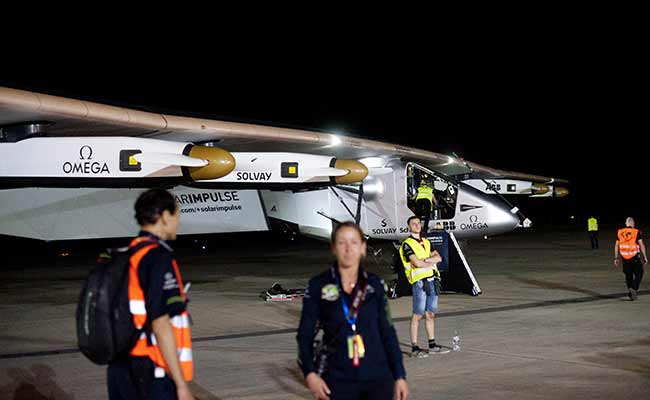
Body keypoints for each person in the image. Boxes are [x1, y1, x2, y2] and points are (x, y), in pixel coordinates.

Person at [297, 221, 409, 400]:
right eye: (342, 242)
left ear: (363, 248)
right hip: (337, 379)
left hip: (378, 378)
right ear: (334, 248)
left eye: (354, 242)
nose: (348, 248)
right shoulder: (319, 285)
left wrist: (399, 375)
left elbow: (387, 331)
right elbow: (304, 334)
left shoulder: (375, 285)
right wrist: (310, 374)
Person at [107, 188, 195, 400]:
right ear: (165, 216)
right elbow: (160, 322)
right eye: (177, 216)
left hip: (119, 367)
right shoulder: (157, 257)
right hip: (150, 369)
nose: (178, 223)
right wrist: (181, 384)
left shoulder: (126, 254)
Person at [399, 216, 443, 358]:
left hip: (432, 280)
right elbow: (416, 263)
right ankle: (415, 347)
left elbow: (439, 258)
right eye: (414, 224)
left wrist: (425, 260)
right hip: (419, 282)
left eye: (418, 223)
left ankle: (432, 345)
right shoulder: (406, 244)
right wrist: (429, 261)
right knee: (417, 315)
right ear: (409, 227)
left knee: (430, 314)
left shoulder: (426, 241)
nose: (417, 225)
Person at [614, 217, 648, 301]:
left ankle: (631, 294)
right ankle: (634, 288)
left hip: (624, 258)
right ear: (633, 224)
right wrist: (645, 256)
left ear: (626, 224)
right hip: (634, 257)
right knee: (639, 273)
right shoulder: (636, 232)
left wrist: (616, 258)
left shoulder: (620, 232)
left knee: (628, 276)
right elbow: (641, 245)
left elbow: (616, 245)